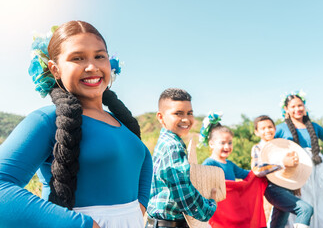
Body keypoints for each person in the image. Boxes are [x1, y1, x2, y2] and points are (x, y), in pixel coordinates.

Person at [0, 21, 153, 228]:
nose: (92, 67)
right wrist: (81, 225)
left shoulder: (123, 123)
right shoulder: (46, 120)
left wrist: (136, 209)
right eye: (77, 58)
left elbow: (142, 162)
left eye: (99, 56)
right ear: (55, 69)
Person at [146, 88, 217, 228]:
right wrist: (209, 207)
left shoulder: (165, 141)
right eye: (178, 113)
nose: (186, 119)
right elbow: (184, 193)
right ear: (160, 117)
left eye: (190, 113)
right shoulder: (173, 147)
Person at [275, 91, 323, 228]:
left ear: (304, 107)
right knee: (299, 200)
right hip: (295, 170)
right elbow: (271, 147)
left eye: (300, 105)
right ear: (286, 110)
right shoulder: (281, 128)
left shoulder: (314, 126)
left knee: (321, 199)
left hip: (317, 169)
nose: (297, 109)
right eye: (293, 107)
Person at [251, 115, 313, 228]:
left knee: (278, 224)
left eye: (270, 127)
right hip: (271, 188)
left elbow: (291, 167)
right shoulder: (258, 148)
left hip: (287, 187)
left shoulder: (282, 145)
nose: (267, 130)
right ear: (256, 132)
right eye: (263, 128)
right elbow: (257, 169)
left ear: (275, 129)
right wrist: (282, 163)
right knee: (305, 209)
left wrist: (295, 184)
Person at [201, 112, 250, 181]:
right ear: (211, 144)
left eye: (230, 143)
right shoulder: (209, 164)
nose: (227, 147)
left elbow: (247, 174)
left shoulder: (230, 164)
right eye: (222, 143)